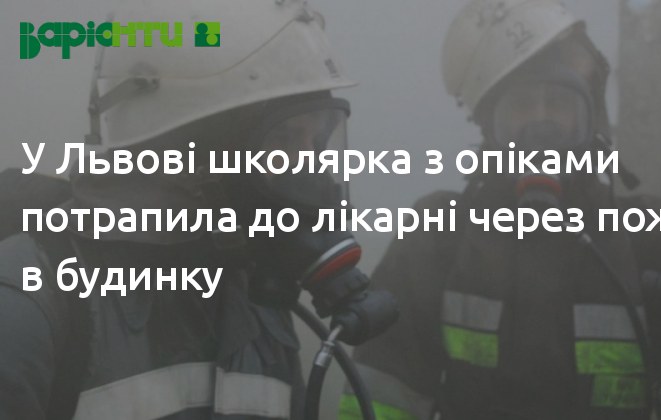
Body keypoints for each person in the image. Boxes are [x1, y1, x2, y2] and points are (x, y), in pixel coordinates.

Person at [339, 0, 661, 419]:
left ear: (590, 122)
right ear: (491, 128)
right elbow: (380, 400)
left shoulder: (653, 242)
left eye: (560, 104)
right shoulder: (438, 238)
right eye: (521, 106)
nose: (541, 125)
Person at [0, 1, 396, 419]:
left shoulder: (259, 304)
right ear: (192, 147)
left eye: (316, 141)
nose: (309, 171)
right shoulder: (30, 302)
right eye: (283, 139)